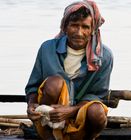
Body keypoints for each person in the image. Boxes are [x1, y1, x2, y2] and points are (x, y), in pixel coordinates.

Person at [25, 0, 113, 140]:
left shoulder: (104, 56)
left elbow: (97, 95)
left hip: (81, 120)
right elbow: (33, 87)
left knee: (97, 111)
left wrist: (71, 111)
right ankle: (48, 135)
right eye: (74, 25)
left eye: (85, 27)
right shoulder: (47, 49)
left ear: (92, 30)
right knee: (55, 83)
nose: (79, 32)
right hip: (49, 118)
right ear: (65, 27)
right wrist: (31, 105)